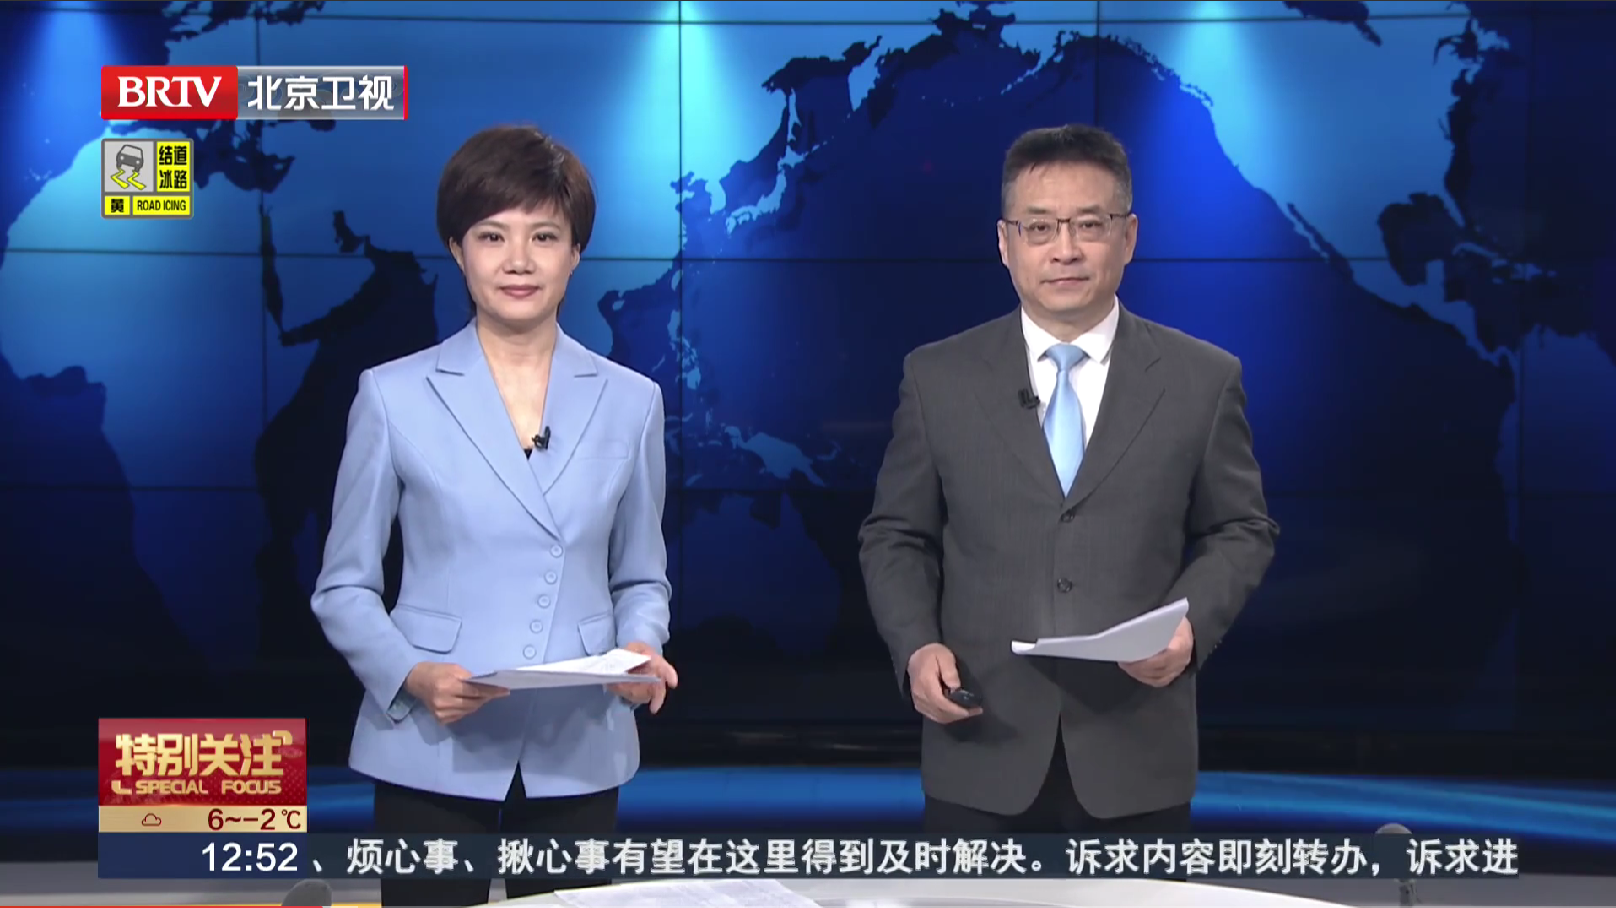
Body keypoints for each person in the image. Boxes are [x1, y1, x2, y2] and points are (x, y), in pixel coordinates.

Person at [858, 123, 1279, 836]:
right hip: (979, 744)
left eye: (1089, 224)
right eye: (1040, 227)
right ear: (1005, 243)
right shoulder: (938, 378)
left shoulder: (1201, 379)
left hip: (1137, 754)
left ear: (1128, 236)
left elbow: (1241, 528)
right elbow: (895, 535)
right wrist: (916, 646)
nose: (1065, 249)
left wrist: (1188, 628)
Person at [310, 124, 678, 906]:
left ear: (575, 253)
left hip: (578, 737)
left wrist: (641, 645)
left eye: (544, 236)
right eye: (492, 235)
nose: (518, 260)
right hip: (432, 733)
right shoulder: (393, 395)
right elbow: (343, 586)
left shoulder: (632, 401)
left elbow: (641, 576)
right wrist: (409, 674)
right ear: (457, 249)